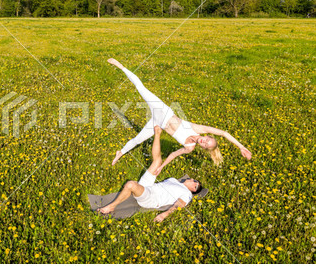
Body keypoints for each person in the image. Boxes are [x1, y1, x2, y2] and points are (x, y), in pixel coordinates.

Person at [107, 58, 252, 170]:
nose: (205, 142)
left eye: (207, 145)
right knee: (141, 88)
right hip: (162, 110)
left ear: (204, 148)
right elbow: (224, 133)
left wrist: (161, 167)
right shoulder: (198, 129)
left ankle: (120, 152)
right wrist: (240, 146)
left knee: (138, 140)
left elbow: (173, 155)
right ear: (207, 136)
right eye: (208, 140)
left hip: (157, 124)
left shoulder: (189, 147)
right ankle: (120, 66)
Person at [98, 126, 201, 222]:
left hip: (151, 198)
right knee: (157, 162)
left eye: (195, 183)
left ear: (194, 189)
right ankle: (157, 133)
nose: (192, 179)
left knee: (131, 184)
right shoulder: (174, 180)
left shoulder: (187, 194)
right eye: (194, 179)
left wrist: (164, 214)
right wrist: (159, 168)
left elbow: (179, 204)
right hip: (149, 186)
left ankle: (112, 206)